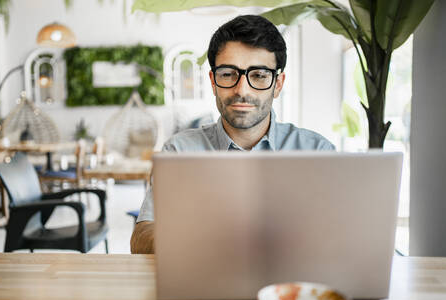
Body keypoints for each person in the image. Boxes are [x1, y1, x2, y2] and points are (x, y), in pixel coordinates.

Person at [131, 15, 335, 254]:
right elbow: (141, 239)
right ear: (213, 81)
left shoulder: (317, 152)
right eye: (228, 74)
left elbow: (338, 239)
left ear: (277, 84)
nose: (242, 90)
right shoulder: (179, 151)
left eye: (258, 75)